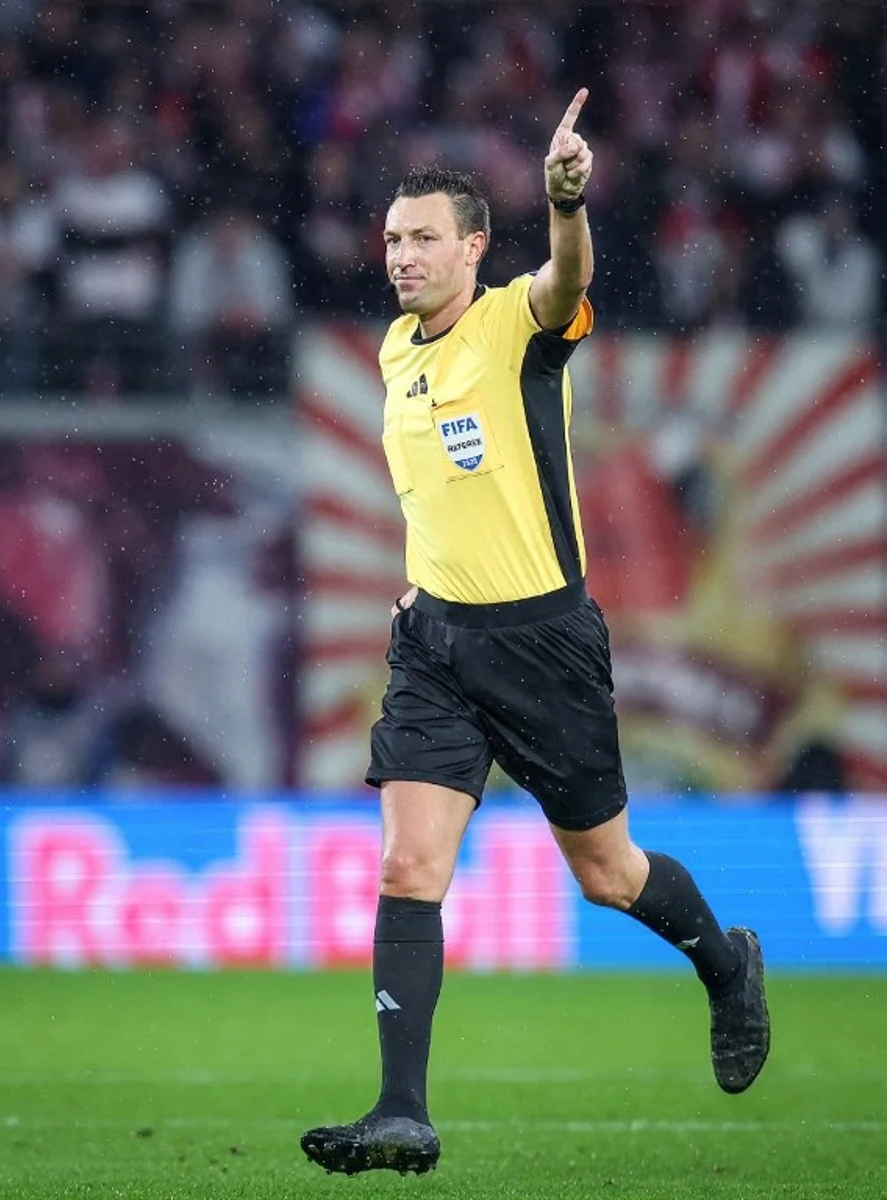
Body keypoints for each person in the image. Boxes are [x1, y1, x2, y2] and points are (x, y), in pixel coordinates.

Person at [300, 88, 770, 1179]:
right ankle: (400, 1111)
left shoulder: (517, 320)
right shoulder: (393, 352)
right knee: (411, 865)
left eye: (422, 239)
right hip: (437, 649)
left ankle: (722, 964)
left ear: (473, 247)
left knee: (606, 873)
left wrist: (567, 202)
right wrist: (422, 587)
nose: (400, 256)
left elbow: (570, 281)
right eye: (390, 239)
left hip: (542, 646)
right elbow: (439, 493)